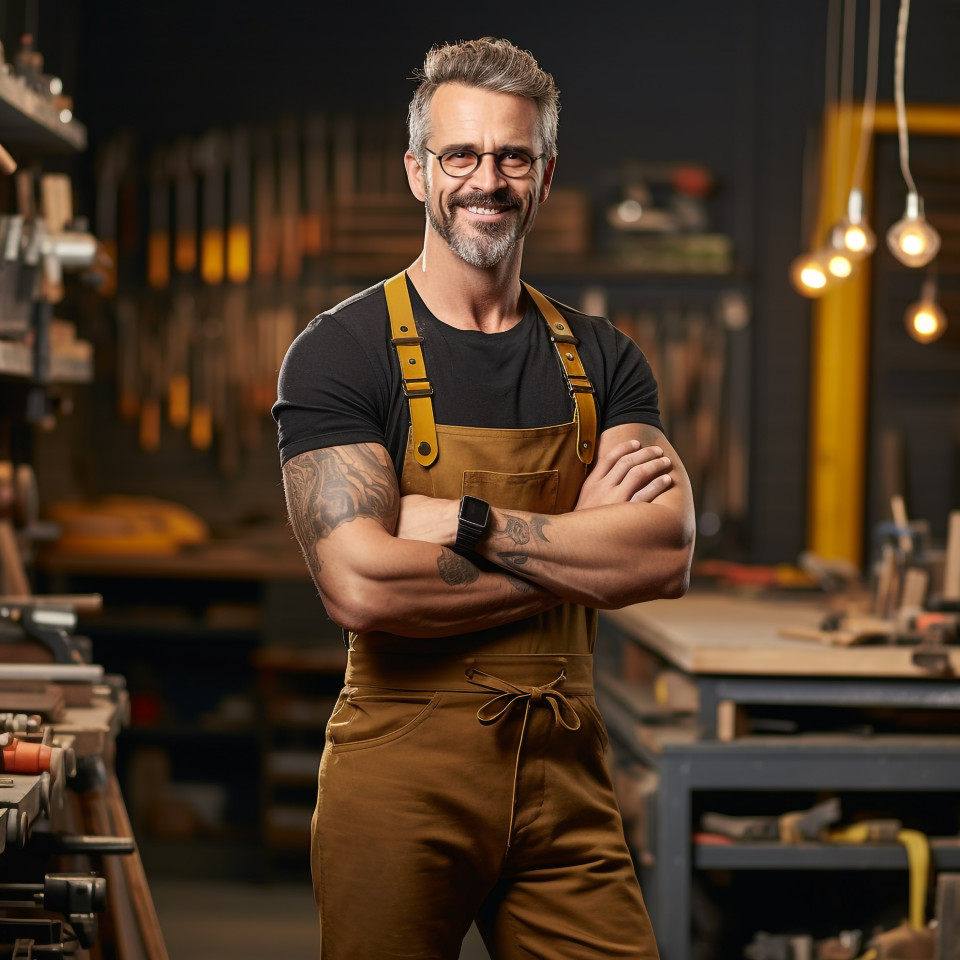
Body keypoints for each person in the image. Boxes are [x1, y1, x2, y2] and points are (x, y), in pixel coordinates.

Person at [273, 37, 694, 960]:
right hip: (399, 769)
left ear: (545, 175)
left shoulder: (606, 359)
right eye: (461, 156)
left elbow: (662, 555)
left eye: (512, 157)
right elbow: (363, 589)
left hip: (569, 773)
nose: (486, 181)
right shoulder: (342, 353)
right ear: (419, 171)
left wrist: (466, 523)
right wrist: (587, 552)